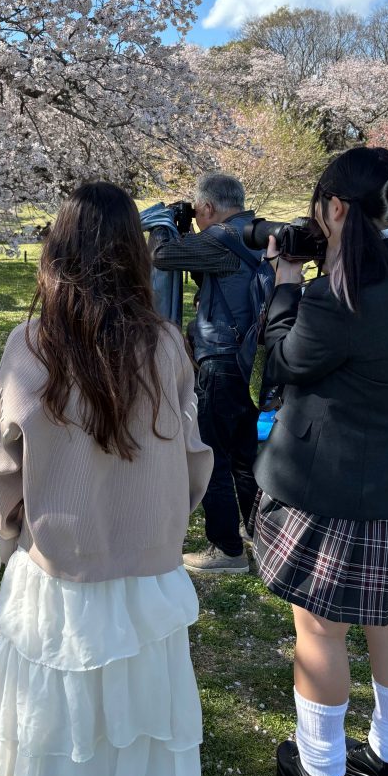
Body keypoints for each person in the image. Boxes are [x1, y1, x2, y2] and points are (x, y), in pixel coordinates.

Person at [0, 181, 213, 776]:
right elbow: (193, 456)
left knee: (52, 728)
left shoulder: (31, 344)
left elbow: (5, 471)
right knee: (141, 726)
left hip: (56, 568)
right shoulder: (165, 344)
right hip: (148, 574)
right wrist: (165, 521)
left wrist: (10, 537)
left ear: (58, 249)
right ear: (136, 252)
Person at [251, 147, 388, 776]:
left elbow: (286, 361)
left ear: (339, 208)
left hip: (328, 489)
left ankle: (320, 768)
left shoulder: (338, 296)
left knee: (320, 630)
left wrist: (288, 283)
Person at [148, 172, 264, 574]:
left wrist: (165, 224)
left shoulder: (220, 238)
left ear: (209, 207)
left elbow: (162, 257)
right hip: (251, 359)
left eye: (197, 211)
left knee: (213, 454)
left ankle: (226, 549)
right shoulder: (255, 233)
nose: (196, 218)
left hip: (221, 359)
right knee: (245, 454)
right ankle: (259, 535)